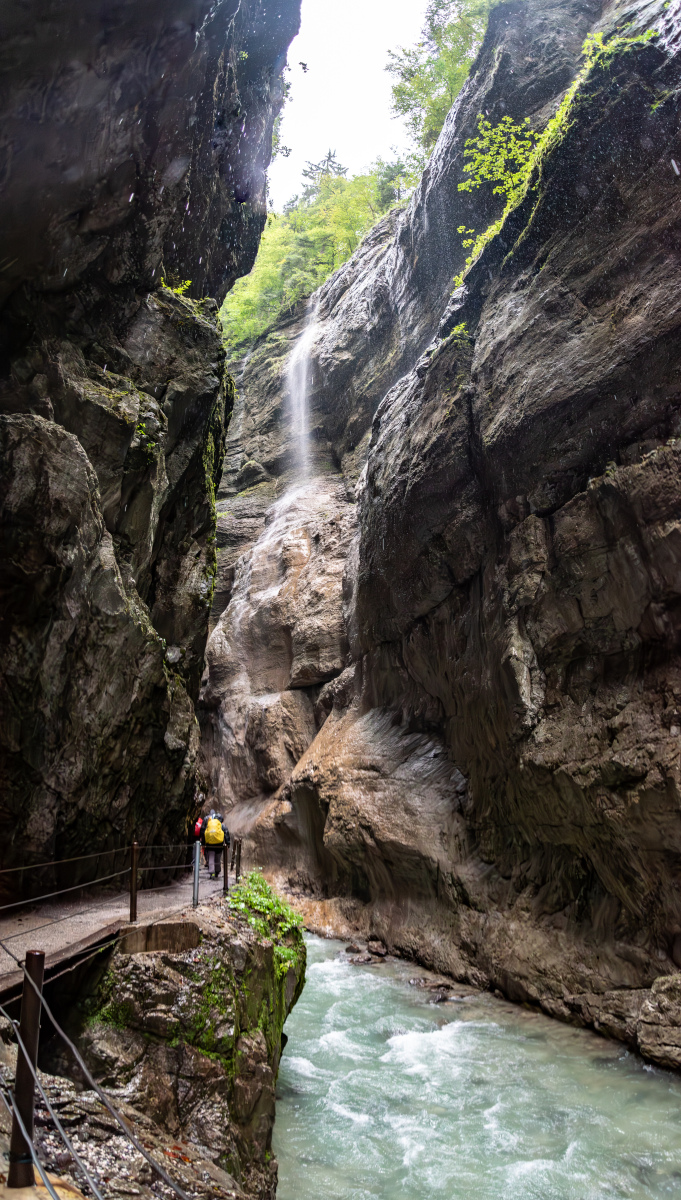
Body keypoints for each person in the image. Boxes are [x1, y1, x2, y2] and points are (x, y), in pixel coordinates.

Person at [202, 810, 228, 879]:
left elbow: (205, 833)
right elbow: (226, 834)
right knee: (217, 858)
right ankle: (217, 872)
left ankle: (211, 873)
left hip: (210, 845)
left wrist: (203, 844)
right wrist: (227, 844)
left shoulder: (209, 824)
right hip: (219, 844)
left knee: (211, 858)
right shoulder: (221, 825)